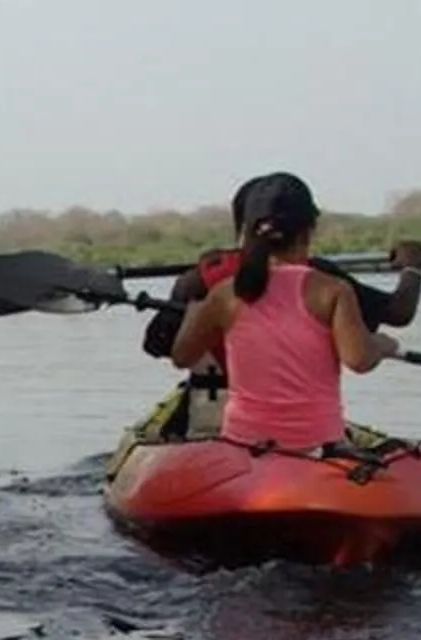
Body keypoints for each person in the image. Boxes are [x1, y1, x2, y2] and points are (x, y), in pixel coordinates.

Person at [167, 173, 398, 450]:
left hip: (243, 444)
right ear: (308, 231)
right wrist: (383, 345)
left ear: (248, 231)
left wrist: (195, 313)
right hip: (319, 445)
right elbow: (360, 360)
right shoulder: (332, 291)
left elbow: (182, 356)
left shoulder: (226, 294)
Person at [141, 173, 421, 365]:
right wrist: (413, 267)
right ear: (308, 230)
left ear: (243, 227)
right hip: (303, 426)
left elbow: (159, 346)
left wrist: (195, 314)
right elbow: (398, 313)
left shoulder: (201, 281)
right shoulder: (326, 283)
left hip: (215, 415)